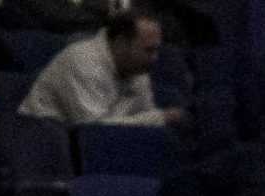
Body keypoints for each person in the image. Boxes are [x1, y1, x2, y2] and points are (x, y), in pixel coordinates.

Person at [21, 7, 174, 126]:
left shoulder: (137, 69)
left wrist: (156, 119)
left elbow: (146, 120)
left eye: (156, 49)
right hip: (41, 146)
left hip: (88, 152)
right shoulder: (82, 60)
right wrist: (161, 117)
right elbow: (95, 130)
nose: (155, 58)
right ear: (121, 43)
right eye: (148, 50)